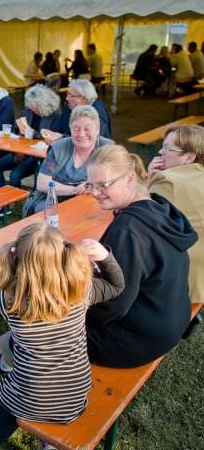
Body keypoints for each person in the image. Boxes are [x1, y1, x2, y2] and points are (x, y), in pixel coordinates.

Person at [0, 223, 124, 449]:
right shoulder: (81, 290)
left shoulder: (9, 300)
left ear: (18, 259)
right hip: (73, 399)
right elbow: (116, 285)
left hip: (28, 396)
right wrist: (105, 257)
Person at [85, 145, 198, 367]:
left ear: (129, 179)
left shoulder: (128, 230)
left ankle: (7, 352)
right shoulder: (158, 205)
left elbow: (113, 305)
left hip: (135, 341)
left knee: (46, 317)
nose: (94, 192)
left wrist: (71, 303)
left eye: (103, 185)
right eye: (91, 184)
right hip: (168, 323)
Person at [147, 124, 204, 303]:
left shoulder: (168, 180)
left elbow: (140, 218)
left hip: (187, 277)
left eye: (167, 148)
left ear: (189, 156)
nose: (160, 152)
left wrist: (150, 180)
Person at [23, 105, 112, 216]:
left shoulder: (107, 148)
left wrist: (90, 185)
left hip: (92, 199)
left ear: (97, 130)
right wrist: (74, 190)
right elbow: (42, 183)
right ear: (70, 129)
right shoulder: (58, 149)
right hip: (54, 199)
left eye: (87, 129)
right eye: (76, 129)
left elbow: (114, 178)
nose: (81, 134)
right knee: (50, 213)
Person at [0, 85, 61, 188]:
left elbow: (51, 137)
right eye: (30, 106)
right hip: (22, 151)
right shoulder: (28, 111)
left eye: (35, 107)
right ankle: (5, 201)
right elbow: (16, 130)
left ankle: (21, 199)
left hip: (38, 155)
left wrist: (32, 132)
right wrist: (18, 145)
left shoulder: (55, 115)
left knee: (14, 175)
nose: (32, 109)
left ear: (43, 104)